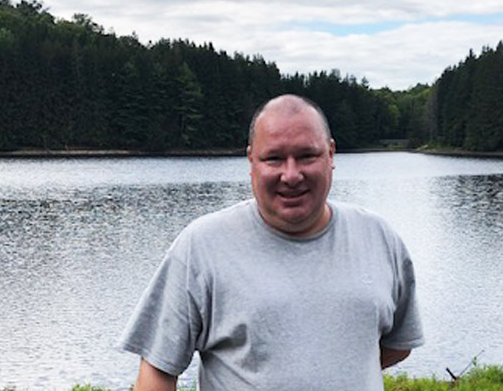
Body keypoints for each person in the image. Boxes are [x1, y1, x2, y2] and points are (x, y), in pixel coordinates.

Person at [119, 94, 423, 390]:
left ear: (331, 155)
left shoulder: (379, 238)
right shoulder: (201, 247)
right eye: (274, 158)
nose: (291, 175)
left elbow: (395, 346)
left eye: (307, 156)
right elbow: (156, 374)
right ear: (252, 160)